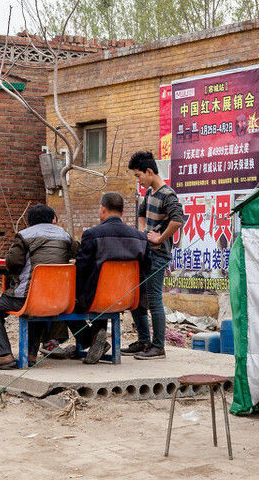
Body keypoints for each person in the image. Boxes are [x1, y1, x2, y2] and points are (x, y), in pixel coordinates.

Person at [0, 204, 78, 370]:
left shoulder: (24, 236)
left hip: (26, 297)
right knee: (38, 306)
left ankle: (4, 355)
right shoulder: (66, 236)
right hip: (58, 298)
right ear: (52, 219)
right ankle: (31, 355)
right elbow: (78, 254)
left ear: (29, 222)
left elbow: (12, 262)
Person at [71, 191, 147, 365]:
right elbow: (145, 269)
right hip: (127, 299)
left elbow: (80, 268)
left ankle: (89, 339)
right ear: (121, 212)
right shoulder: (140, 237)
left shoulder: (92, 234)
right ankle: (95, 340)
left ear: (103, 209)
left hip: (96, 299)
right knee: (103, 295)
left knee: (65, 304)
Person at [127, 150, 183, 359]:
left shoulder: (168, 195)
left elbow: (177, 220)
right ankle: (143, 341)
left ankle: (158, 346)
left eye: (138, 175)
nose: (138, 180)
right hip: (144, 252)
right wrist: (144, 233)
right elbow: (142, 214)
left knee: (153, 299)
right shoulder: (149, 193)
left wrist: (159, 238)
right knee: (137, 298)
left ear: (149, 171)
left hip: (158, 255)